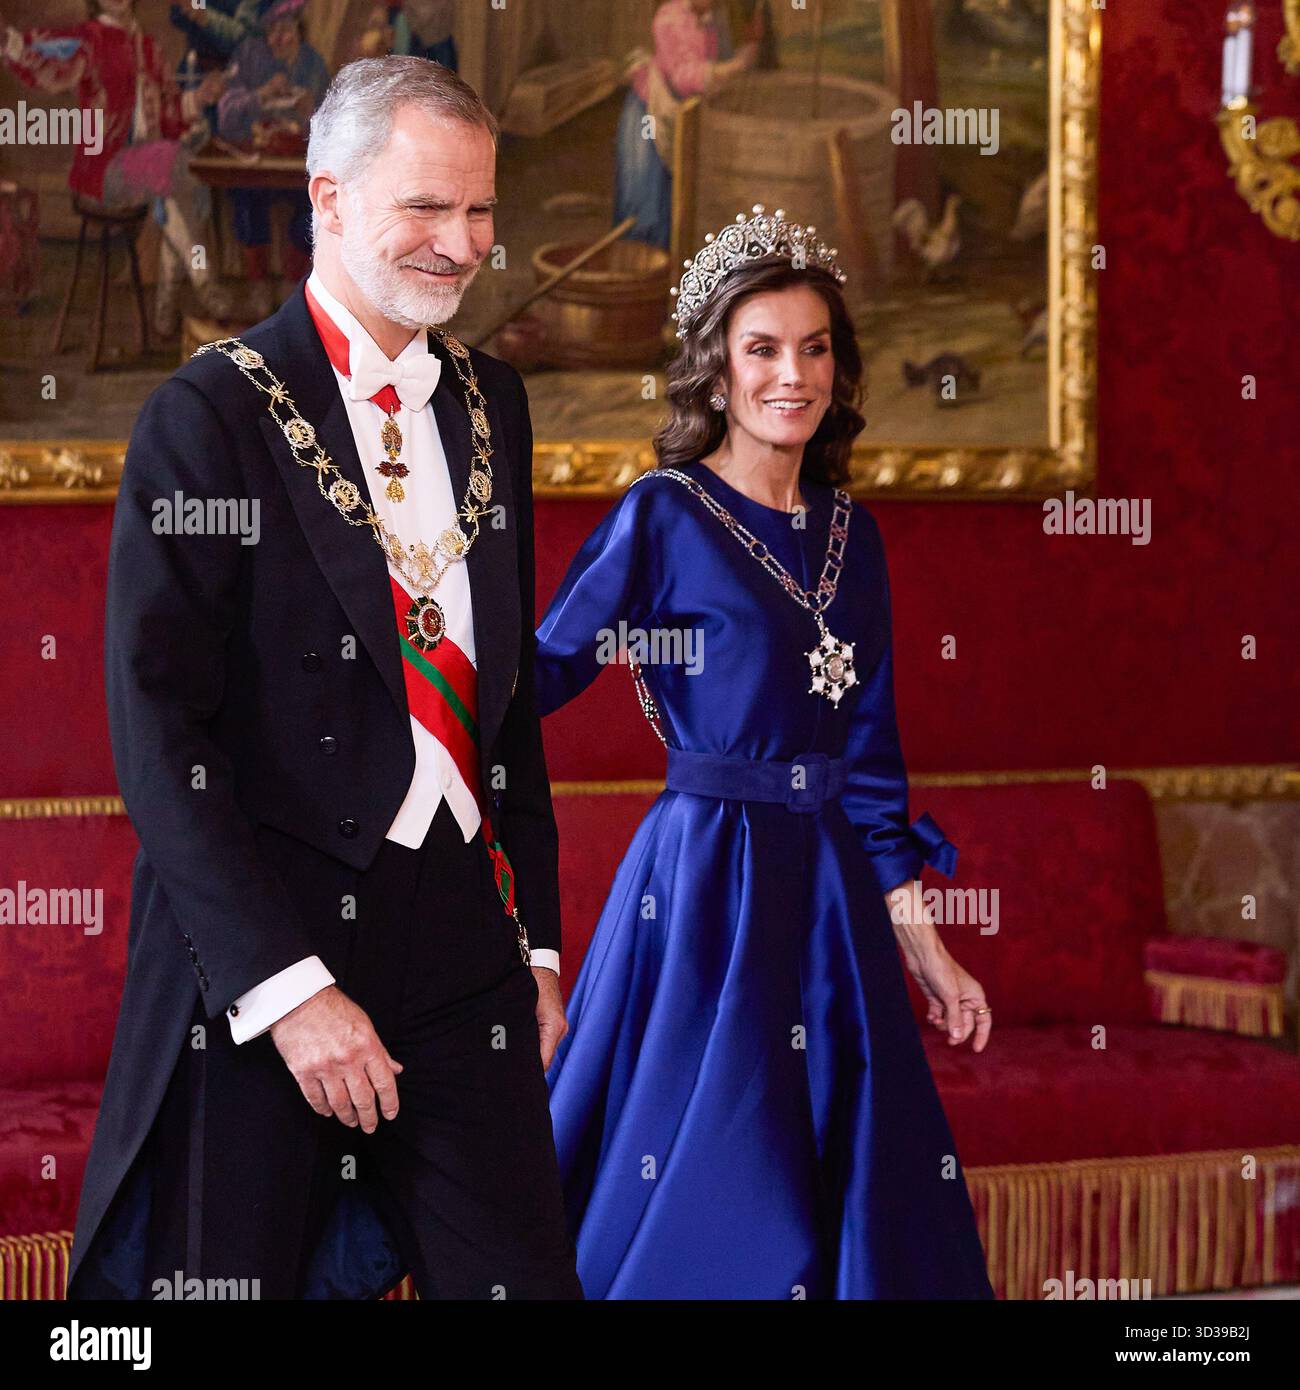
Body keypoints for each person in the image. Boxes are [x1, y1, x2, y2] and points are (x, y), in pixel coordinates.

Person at [68, 56, 581, 1301]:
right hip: (270, 948)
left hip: (462, 944)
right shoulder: (208, 417)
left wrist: (539, 945)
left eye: (478, 211)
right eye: (426, 207)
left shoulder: (491, 403)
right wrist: (288, 990)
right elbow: (158, 728)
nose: (460, 245)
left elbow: (500, 700)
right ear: (330, 200)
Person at [534, 205, 996, 1299]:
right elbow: (530, 680)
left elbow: (873, 762)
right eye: (761, 349)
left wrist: (925, 945)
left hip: (832, 888)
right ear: (716, 371)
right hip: (700, 886)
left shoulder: (854, 532)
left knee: (852, 1173)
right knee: (721, 1168)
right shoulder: (663, 516)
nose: (792, 373)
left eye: (815, 347)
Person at [0, 0, 233, 336]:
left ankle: (167, 312)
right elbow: (50, 71)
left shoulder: (149, 47)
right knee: (175, 169)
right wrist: (11, 43)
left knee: (178, 186)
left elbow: (170, 113)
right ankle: (206, 286)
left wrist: (198, 98)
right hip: (102, 171)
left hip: (149, 168)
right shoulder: (89, 40)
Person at [615, 0, 759, 248]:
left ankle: (663, 262)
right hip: (649, 113)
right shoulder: (669, 17)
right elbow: (683, 76)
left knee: (674, 190)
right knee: (645, 188)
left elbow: (715, 61)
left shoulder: (711, 18)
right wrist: (735, 66)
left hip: (678, 114)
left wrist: (738, 59)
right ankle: (639, 262)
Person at [217, 0, 329, 316]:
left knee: (314, 205)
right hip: (259, 164)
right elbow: (226, 116)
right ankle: (259, 287)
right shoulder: (250, 58)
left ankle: (296, 288)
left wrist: (310, 113)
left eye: (285, 31)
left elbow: (333, 127)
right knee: (245, 196)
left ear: (299, 30)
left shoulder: (314, 66)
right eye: (272, 32)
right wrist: (260, 96)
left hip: (299, 169)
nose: (277, 40)